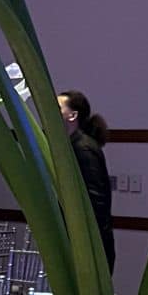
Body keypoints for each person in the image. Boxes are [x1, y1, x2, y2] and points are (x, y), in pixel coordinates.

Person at [58, 90, 114, 272]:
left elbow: (95, 201)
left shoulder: (83, 149)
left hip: (89, 248)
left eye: (57, 108)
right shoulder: (73, 146)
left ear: (73, 115)